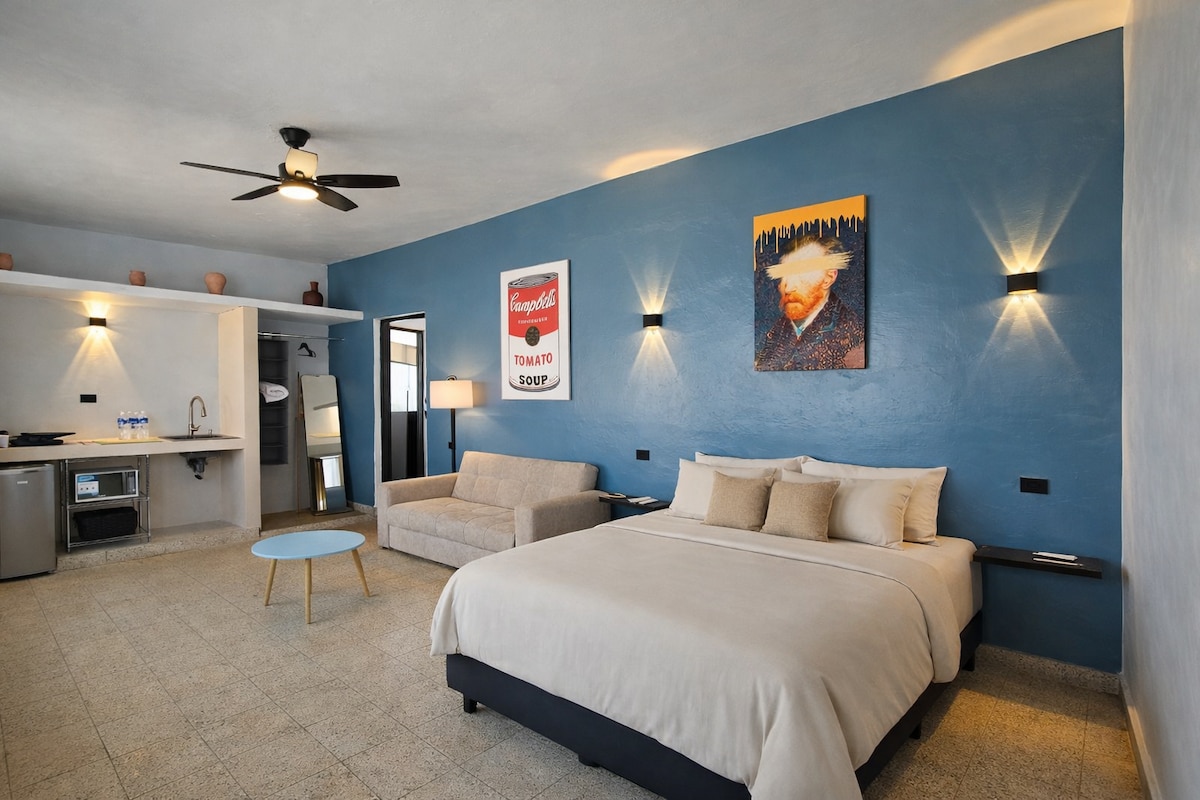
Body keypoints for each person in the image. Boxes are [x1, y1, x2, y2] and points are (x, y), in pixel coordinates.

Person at [754, 234, 865, 370]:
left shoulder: (854, 335)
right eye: (783, 276)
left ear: (828, 278)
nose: (788, 288)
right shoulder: (775, 332)